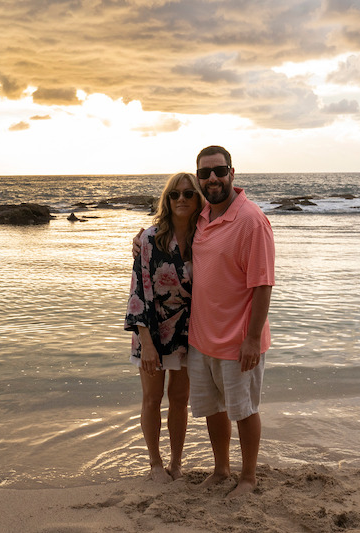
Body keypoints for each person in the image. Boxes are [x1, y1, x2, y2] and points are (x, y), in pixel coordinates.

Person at [133, 146, 275, 498]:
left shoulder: (241, 222)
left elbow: (262, 282)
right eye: (205, 174)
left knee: (235, 408)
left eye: (219, 171)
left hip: (215, 337)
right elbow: (144, 279)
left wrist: (253, 337)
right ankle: (201, 467)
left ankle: (240, 476)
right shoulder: (182, 228)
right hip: (178, 336)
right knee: (198, 406)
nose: (212, 179)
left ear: (231, 173)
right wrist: (139, 240)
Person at [124, 172, 205, 483]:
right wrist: (146, 340)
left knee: (180, 400)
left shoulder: (206, 238)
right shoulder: (149, 239)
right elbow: (138, 289)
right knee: (152, 398)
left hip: (189, 332)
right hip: (152, 331)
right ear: (167, 200)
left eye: (188, 194)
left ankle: (176, 463)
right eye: (175, 194)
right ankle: (155, 463)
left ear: (198, 199)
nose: (181, 199)